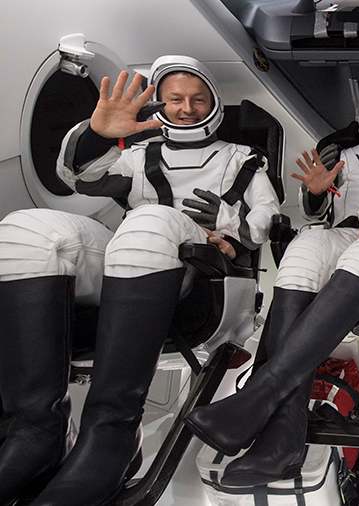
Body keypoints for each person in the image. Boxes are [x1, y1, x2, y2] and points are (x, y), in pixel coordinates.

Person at [0, 55, 279, 506]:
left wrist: (232, 226)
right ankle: (35, 431)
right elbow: (80, 179)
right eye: (175, 99)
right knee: (25, 229)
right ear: (159, 104)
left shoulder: (242, 158)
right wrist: (98, 135)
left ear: (214, 103)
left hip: (204, 274)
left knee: (149, 219)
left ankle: (113, 434)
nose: (186, 108)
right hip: (134, 258)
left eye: (198, 99)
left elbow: (267, 217)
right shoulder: (137, 155)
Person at [184, 91, 359, 486]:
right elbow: (314, 212)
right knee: (303, 245)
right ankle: (284, 437)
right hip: (340, 232)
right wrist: (318, 192)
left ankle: (259, 395)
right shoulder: (342, 157)